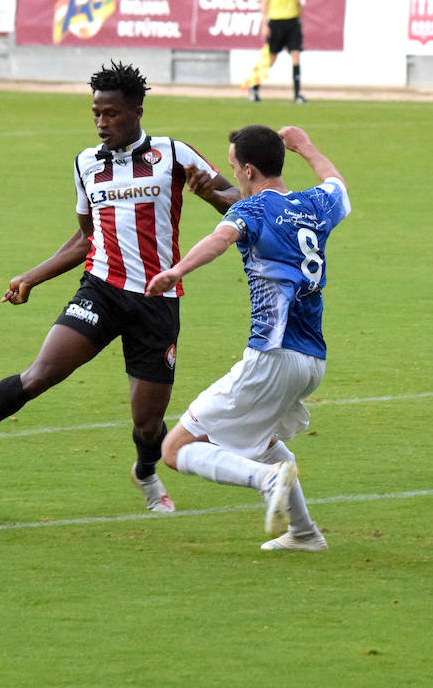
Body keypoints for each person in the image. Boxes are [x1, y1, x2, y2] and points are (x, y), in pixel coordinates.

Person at [0, 61, 239, 511]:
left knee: (147, 425)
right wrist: (31, 277)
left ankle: (144, 472)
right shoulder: (86, 164)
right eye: (96, 113)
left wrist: (212, 192)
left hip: (156, 302)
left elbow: (244, 208)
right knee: (38, 375)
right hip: (100, 289)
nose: (102, 123)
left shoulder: (174, 154)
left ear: (137, 111)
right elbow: (87, 238)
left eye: (112, 114)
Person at [145, 125, 349, 551]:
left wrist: (178, 271)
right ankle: (305, 534)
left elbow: (221, 239)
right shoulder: (314, 204)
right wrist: (306, 146)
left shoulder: (253, 210)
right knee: (268, 442)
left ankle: (266, 481)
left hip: (272, 357)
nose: (235, 175)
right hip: (312, 361)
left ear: (250, 170)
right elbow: (338, 185)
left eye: (235, 168)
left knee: (175, 448)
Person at [247, 0, 307, 105]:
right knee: (271, 57)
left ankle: (297, 94)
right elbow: (264, 1)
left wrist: (300, 18)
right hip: (276, 21)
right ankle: (254, 86)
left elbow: (298, 0)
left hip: (293, 22)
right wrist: (264, 23)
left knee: (296, 55)